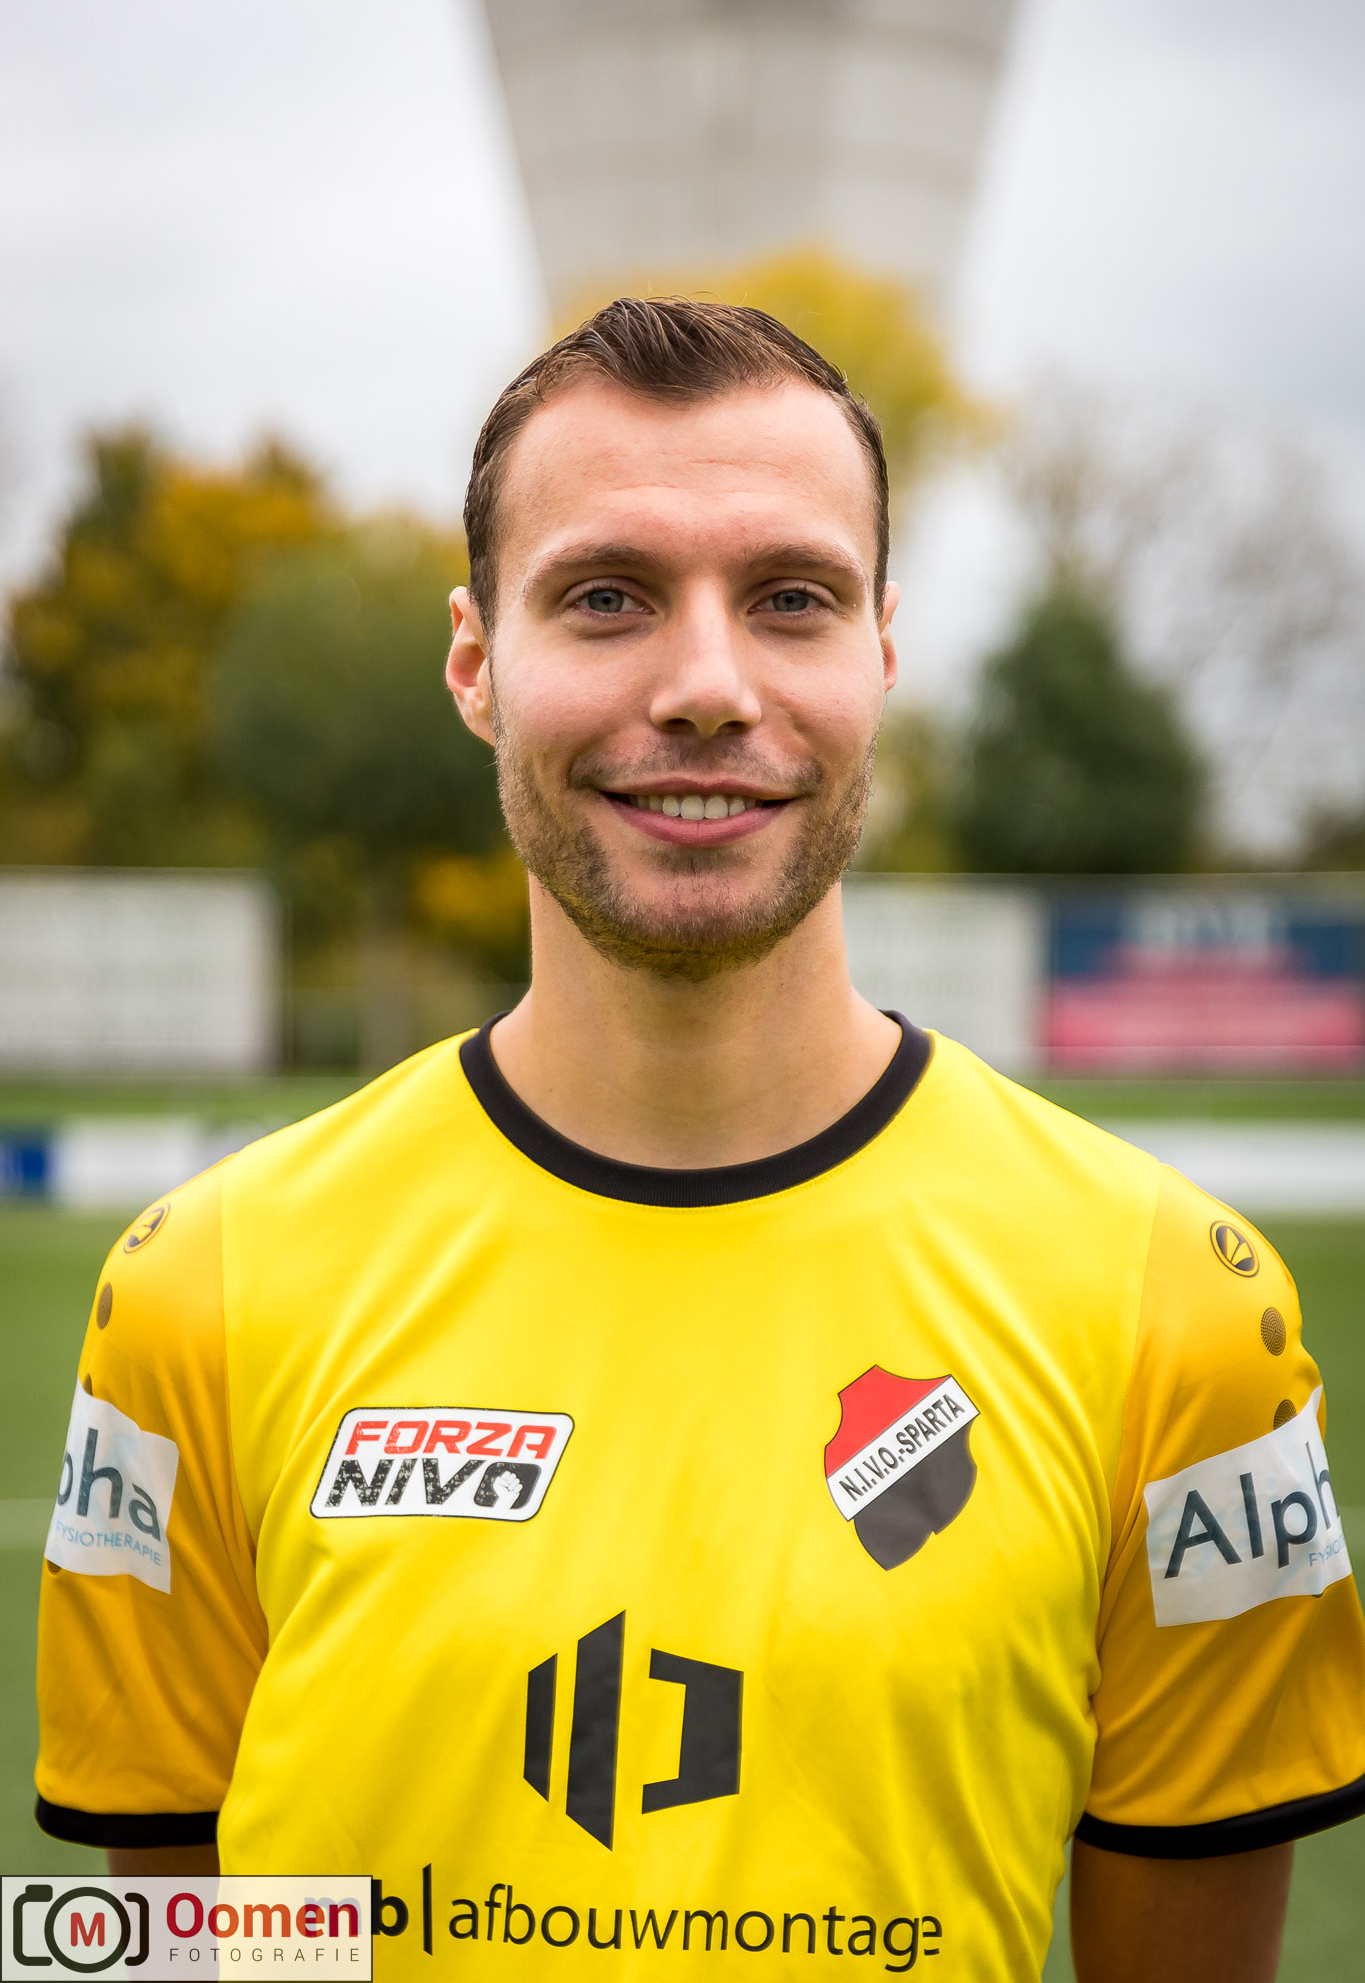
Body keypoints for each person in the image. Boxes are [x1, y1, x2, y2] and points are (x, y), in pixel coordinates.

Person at [35, 299, 1365, 1981]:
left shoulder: (1181, 1311)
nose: (708, 689)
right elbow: (177, 1947)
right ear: (475, 663)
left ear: (881, 654)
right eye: (606, 597)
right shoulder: (195, 1294)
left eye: (791, 599)